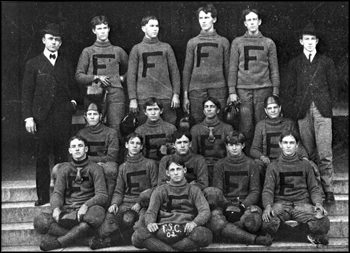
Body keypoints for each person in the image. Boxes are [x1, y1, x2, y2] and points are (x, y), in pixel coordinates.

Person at [21, 23, 81, 206]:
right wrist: (28, 117)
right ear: (43, 40)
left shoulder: (66, 63)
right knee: (42, 157)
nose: (54, 42)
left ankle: (61, 195)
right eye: (51, 39)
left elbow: (74, 88)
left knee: (62, 156)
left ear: (61, 43)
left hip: (62, 116)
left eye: (57, 40)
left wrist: (73, 103)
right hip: (42, 118)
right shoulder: (33, 64)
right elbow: (26, 92)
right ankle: (43, 197)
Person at [284, 23, 338, 203]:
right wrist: (295, 109)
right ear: (301, 41)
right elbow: (290, 89)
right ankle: (313, 189)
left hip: (322, 110)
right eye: (306, 39)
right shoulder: (295, 63)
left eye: (312, 39)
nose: (309, 42)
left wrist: (327, 104)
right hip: (303, 111)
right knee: (308, 151)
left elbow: (334, 88)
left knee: (324, 151)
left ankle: (328, 189)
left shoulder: (326, 62)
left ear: (317, 41)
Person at [33, 136, 108, 251]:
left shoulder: (95, 168)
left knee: (96, 215)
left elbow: (102, 195)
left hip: (86, 213)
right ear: (70, 150)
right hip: (67, 212)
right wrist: (56, 208)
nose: (77, 149)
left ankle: (59, 242)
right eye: (74, 146)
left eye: (80, 146)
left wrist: (86, 205)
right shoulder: (64, 169)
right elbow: (57, 192)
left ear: (86, 149)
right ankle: (85, 240)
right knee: (40, 221)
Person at [89, 132, 158, 249]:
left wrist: (140, 203)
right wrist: (114, 204)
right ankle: (110, 238)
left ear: (141, 147)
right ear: (126, 145)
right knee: (105, 229)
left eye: (138, 143)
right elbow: (119, 191)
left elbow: (156, 187)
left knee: (141, 227)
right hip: (126, 202)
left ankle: (109, 241)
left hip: (145, 204)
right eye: (132, 143)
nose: (135, 146)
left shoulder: (150, 164)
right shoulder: (123, 167)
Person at [261, 130, 330, 246]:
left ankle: (284, 234)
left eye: (292, 143)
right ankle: (304, 234)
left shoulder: (305, 165)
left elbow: (314, 188)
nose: (288, 146)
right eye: (285, 142)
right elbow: (268, 190)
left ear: (297, 145)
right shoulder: (273, 166)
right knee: (267, 222)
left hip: (302, 204)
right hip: (281, 204)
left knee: (323, 222)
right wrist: (267, 206)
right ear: (280, 144)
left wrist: (318, 204)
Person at [204, 131, 272, 246]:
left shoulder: (251, 164)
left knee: (253, 221)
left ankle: (230, 232)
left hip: (246, 204)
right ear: (226, 146)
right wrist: (227, 206)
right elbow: (218, 191)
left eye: (237, 145)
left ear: (243, 145)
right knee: (215, 221)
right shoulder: (220, 165)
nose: (234, 148)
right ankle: (253, 239)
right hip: (225, 205)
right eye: (231, 145)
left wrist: (242, 206)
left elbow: (255, 191)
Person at [132, 158, 213, 251]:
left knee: (205, 235)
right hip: (163, 229)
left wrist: (194, 223)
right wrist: (150, 223)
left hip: (185, 229)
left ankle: (166, 249)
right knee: (137, 236)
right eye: (172, 170)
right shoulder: (160, 190)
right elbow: (151, 211)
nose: (175, 173)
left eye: (178, 169)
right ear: (167, 173)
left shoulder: (194, 190)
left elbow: (205, 211)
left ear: (184, 170)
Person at [228, 8, 280, 153]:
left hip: (264, 88)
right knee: (246, 126)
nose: (252, 23)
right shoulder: (237, 42)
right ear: (245, 23)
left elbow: (274, 69)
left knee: (262, 124)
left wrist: (275, 91)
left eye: (254, 20)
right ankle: (247, 158)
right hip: (243, 89)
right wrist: (232, 91)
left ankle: (263, 156)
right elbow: (232, 69)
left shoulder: (268, 43)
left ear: (259, 22)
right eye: (249, 20)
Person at [75, 15, 128, 146]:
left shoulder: (118, 51)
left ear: (109, 29)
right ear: (94, 31)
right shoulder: (87, 51)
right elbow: (79, 76)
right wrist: (96, 77)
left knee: (116, 128)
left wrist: (121, 78)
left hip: (116, 94)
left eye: (105, 28)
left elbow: (131, 71)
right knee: (92, 127)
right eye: (99, 28)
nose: (103, 31)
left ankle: (114, 163)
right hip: (94, 93)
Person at [250, 95, 317, 197]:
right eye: (269, 108)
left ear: (280, 108)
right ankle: (260, 197)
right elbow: (254, 149)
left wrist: (304, 157)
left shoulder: (289, 123)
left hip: (287, 160)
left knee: (309, 165)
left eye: (275, 107)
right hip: (269, 162)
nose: (273, 110)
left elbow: (298, 145)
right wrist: (262, 157)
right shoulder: (260, 125)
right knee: (256, 165)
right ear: (265, 110)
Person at [127, 15, 181, 126]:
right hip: (143, 96)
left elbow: (175, 73)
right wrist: (133, 98)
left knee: (169, 127)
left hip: (165, 96)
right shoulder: (137, 49)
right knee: (144, 129)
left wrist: (176, 94)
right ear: (143, 28)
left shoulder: (166, 47)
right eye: (151, 26)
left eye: (157, 26)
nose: (155, 28)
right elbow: (131, 76)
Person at [182, 3, 230, 123]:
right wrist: (185, 95)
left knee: (219, 121)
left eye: (207, 17)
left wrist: (230, 92)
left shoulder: (223, 42)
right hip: (196, 88)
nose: (203, 21)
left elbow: (228, 68)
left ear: (214, 19)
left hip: (219, 87)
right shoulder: (192, 42)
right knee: (198, 122)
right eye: (201, 18)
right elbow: (187, 69)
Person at [76, 102, 119, 208]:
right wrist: (95, 163)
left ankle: (107, 204)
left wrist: (91, 161)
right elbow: (77, 155)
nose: (92, 117)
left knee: (111, 169)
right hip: (88, 165)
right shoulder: (81, 133)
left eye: (94, 114)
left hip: (104, 164)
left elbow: (112, 157)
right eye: (89, 114)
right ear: (85, 116)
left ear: (100, 116)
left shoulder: (111, 133)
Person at [190, 97, 234, 185]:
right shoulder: (196, 129)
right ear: (203, 111)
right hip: (203, 166)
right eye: (206, 107)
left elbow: (230, 152)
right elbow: (193, 153)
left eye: (212, 106)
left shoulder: (227, 128)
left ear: (218, 110)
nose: (209, 109)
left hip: (221, 165)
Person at [135, 97, 177, 164]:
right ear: (145, 112)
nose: (153, 113)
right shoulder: (140, 131)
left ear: (161, 111)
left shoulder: (171, 128)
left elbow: (175, 152)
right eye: (150, 110)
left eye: (156, 109)